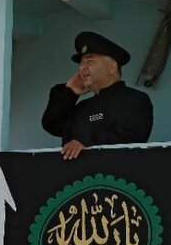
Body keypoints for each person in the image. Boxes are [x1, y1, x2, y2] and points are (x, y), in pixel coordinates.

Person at [41, 30, 153, 159]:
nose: (83, 67)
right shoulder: (82, 107)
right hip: (75, 178)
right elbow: (52, 125)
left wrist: (86, 143)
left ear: (111, 67)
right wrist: (69, 92)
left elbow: (131, 138)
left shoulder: (134, 99)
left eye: (89, 61)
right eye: (81, 64)